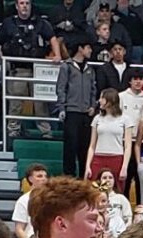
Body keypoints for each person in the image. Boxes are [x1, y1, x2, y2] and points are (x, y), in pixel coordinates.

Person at [0, 0, 60, 138]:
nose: (24, 6)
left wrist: (57, 55)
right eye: (21, 3)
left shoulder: (40, 22)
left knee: (40, 103)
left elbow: (53, 38)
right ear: (16, 6)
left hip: (38, 68)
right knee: (15, 102)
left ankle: (46, 131)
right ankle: (13, 130)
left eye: (27, 3)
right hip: (18, 68)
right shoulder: (9, 23)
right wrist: (4, 59)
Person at [56, 40, 96, 178]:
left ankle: (84, 177)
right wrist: (62, 107)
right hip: (71, 111)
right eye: (88, 47)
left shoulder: (90, 69)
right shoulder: (66, 66)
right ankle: (69, 176)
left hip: (86, 113)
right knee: (70, 146)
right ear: (80, 48)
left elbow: (93, 89)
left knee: (85, 147)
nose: (90, 50)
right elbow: (61, 88)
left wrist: (93, 106)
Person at [85, 87, 132, 191]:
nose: (99, 100)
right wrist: (88, 165)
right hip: (98, 158)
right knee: (95, 191)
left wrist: (124, 166)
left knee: (117, 190)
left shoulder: (125, 119)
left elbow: (128, 146)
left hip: (116, 158)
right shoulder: (97, 118)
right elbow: (92, 145)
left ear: (110, 100)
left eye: (102, 98)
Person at [12, 163, 48, 238]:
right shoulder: (23, 200)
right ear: (30, 179)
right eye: (39, 176)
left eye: (45, 176)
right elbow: (19, 229)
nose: (44, 179)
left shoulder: (52, 199)